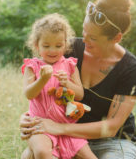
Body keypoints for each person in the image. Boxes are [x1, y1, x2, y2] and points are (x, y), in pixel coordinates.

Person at [20, 0, 136, 159]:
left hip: (113, 141)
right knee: (31, 156)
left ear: (116, 38)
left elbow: (112, 126)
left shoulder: (129, 67)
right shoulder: (65, 49)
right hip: (63, 137)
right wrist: (27, 119)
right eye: (84, 31)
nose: (83, 40)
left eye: (93, 38)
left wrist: (59, 127)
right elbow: (39, 91)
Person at [21, 13, 97, 159]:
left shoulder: (70, 65)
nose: (52, 50)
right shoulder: (32, 66)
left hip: (66, 126)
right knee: (43, 152)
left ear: (65, 44)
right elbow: (28, 94)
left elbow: (80, 94)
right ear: (37, 45)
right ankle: (31, 153)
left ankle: (29, 155)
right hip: (40, 125)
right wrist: (43, 79)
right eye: (46, 46)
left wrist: (67, 83)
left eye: (58, 45)